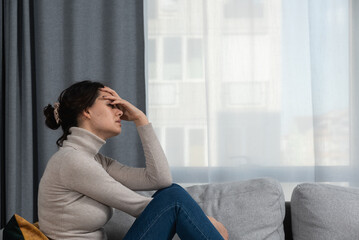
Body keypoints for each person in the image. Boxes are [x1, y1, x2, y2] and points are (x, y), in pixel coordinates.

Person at [38, 80, 229, 240]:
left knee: (172, 191)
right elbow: (140, 206)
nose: (120, 111)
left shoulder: (96, 161)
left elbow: (160, 180)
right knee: (174, 198)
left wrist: (140, 119)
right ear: (86, 111)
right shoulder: (71, 161)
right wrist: (204, 220)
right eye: (111, 105)